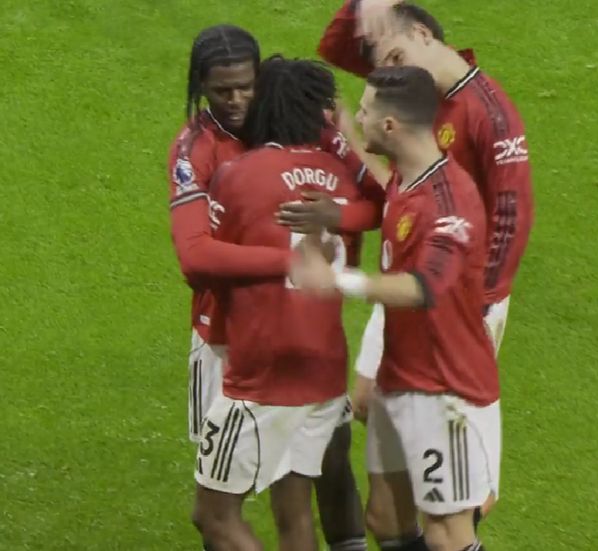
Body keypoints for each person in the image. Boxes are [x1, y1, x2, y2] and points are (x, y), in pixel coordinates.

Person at [279, 0, 533, 521]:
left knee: (457, 474)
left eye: (395, 55)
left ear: (422, 33)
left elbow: (512, 217)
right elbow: (335, 47)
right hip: (405, 281)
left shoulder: (487, 111)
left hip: (458, 296)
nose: (390, 71)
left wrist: (476, 303)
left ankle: (465, 509)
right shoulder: (416, 93)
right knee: (368, 402)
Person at [168, 26, 367, 550]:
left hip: (266, 351)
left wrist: (338, 214)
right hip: (229, 334)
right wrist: (293, 261)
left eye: (245, 86)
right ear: (201, 86)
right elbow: (193, 256)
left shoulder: (303, 127)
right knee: (285, 495)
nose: (236, 100)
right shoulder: (195, 149)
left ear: (264, 79)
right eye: (221, 90)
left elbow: (384, 197)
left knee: (246, 500)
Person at [291, 65, 500, 551]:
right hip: (400, 374)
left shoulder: (451, 204)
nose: (362, 117)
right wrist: (345, 129)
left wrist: (336, 280)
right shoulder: (409, 178)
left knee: (446, 533)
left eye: (366, 111)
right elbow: (387, 191)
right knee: (385, 518)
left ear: (390, 126)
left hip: (444, 387)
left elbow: (425, 287)